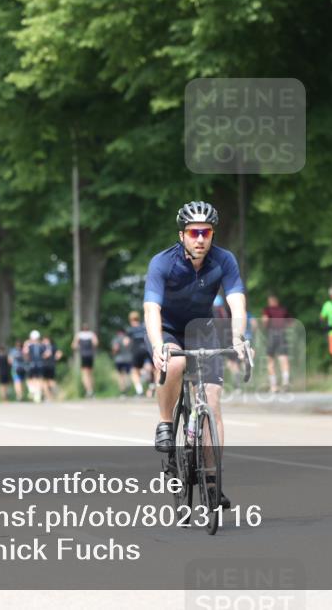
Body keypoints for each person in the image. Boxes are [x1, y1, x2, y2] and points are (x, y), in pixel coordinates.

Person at [145, 201, 248, 510]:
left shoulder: (224, 260)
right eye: (194, 233)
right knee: (175, 362)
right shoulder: (162, 263)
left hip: (202, 329)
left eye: (206, 232)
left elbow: (237, 302)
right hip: (168, 329)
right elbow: (151, 308)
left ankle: (213, 481)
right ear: (182, 235)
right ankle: (166, 422)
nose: (200, 238)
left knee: (212, 401)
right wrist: (157, 345)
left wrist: (238, 337)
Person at [261, 294, 291, 392]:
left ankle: (273, 386)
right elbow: (290, 322)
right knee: (283, 359)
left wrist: (264, 326)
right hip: (282, 335)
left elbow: (265, 320)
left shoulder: (267, 310)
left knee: (270, 361)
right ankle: (285, 382)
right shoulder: (283, 310)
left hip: (272, 335)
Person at [127, 311, 151, 397]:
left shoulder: (130, 329)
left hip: (136, 351)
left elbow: (126, 342)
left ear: (130, 319)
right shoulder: (144, 327)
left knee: (134, 372)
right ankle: (151, 384)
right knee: (149, 368)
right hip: (146, 350)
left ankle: (139, 391)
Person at [72, 325, 98, 398]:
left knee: (84, 374)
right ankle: (91, 390)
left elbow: (74, 345)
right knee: (90, 374)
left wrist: (80, 347)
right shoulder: (92, 334)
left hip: (83, 355)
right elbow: (96, 343)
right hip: (90, 355)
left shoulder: (79, 335)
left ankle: (88, 391)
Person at [25, 330, 45, 402]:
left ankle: (32, 391)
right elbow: (45, 354)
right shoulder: (42, 346)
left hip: (32, 364)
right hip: (40, 364)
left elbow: (25, 353)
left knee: (30, 379)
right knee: (39, 379)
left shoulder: (29, 346)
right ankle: (38, 394)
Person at [112, 330, 133, 397]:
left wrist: (113, 353)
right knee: (128, 374)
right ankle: (128, 385)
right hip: (128, 359)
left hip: (119, 360)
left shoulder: (116, 339)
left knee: (120, 375)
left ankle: (123, 391)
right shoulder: (128, 339)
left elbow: (116, 348)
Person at [41, 335, 62, 401]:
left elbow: (41, 356)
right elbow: (59, 353)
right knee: (50, 381)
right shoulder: (53, 346)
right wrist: (55, 358)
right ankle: (54, 394)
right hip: (51, 365)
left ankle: (49, 396)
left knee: (45, 382)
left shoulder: (42, 347)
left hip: (45, 366)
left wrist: (46, 355)